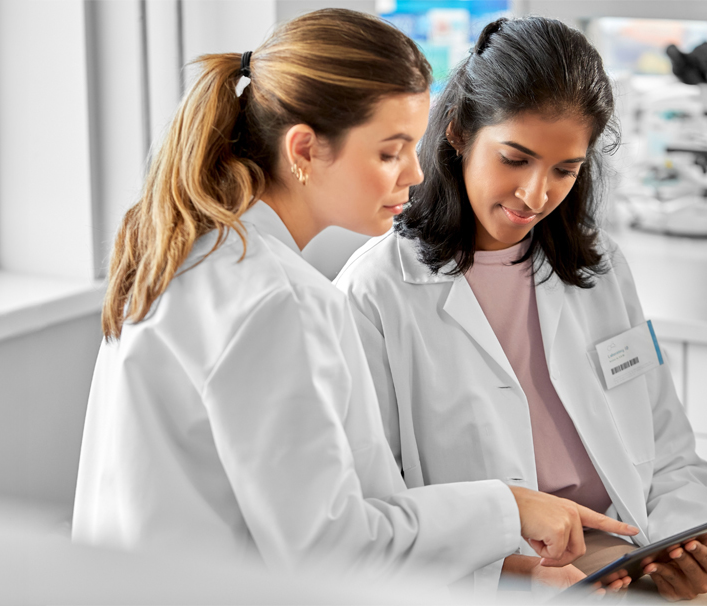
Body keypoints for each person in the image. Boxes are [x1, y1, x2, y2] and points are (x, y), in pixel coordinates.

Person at [71, 8, 636, 584]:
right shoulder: (280, 301)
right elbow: (333, 551)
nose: (414, 174)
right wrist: (506, 507)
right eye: (390, 151)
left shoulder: (192, 255)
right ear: (305, 150)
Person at [334, 16, 707, 600]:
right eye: (514, 158)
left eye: (565, 170)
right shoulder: (376, 291)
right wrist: (515, 572)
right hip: (484, 572)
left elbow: (667, 447)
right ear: (457, 133)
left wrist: (679, 542)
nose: (536, 195)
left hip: (619, 551)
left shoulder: (599, 266)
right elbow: (374, 510)